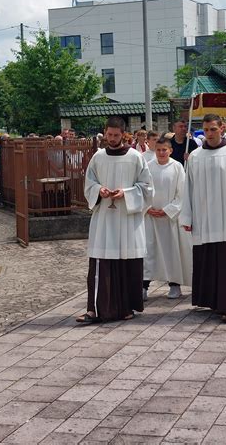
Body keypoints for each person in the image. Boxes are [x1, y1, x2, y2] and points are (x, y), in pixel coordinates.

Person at [77, 116, 154, 325]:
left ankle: (126, 308)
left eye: (116, 135)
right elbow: (89, 183)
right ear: (105, 132)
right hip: (104, 219)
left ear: (123, 134)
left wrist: (127, 194)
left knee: (127, 263)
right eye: (109, 135)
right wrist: (98, 190)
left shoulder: (135, 157)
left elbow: (147, 188)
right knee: (101, 264)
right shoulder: (98, 157)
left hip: (127, 219)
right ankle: (94, 310)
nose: (112, 138)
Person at [180, 114, 226, 323]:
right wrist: (187, 216)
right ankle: (212, 300)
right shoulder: (194, 156)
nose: (210, 134)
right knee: (208, 259)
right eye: (206, 130)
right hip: (204, 218)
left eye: (213, 129)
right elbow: (188, 188)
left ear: (222, 128)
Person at [143, 137, 192, 300]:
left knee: (172, 252)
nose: (161, 152)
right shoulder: (148, 167)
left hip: (170, 219)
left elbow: (182, 193)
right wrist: (148, 208)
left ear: (170, 150)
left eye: (165, 149)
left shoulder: (177, 167)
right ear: (154, 150)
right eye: (158, 150)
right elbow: (143, 190)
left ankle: (174, 285)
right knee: (149, 252)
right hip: (151, 217)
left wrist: (168, 210)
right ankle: (143, 286)